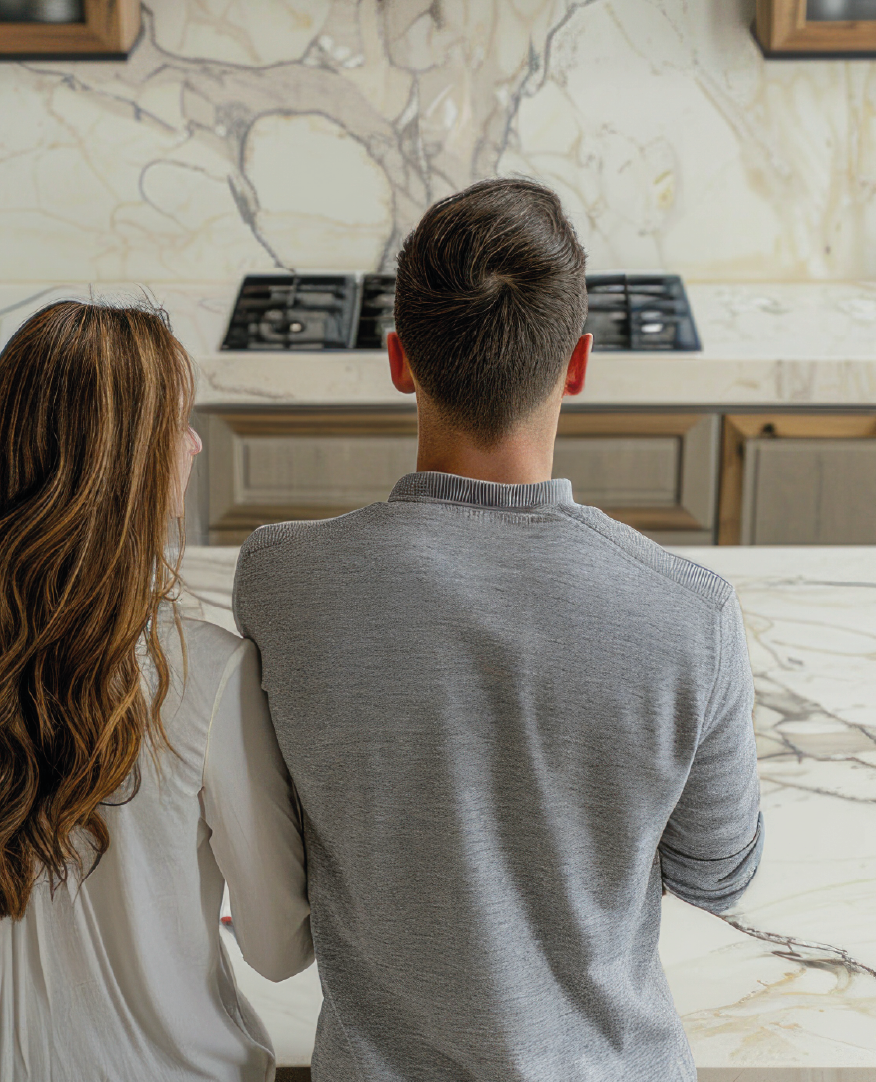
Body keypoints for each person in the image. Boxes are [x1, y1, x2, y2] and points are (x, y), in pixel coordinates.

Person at [233, 177, 764, 1081]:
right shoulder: (688, 612)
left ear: (399, 360)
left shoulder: (283, 580)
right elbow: (720, 874)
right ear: (579, 364)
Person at [0, 299, 312, 1082]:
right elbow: (279, 949)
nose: (196, 445)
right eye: (177, 425)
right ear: (123, 469)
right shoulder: (207, 671)